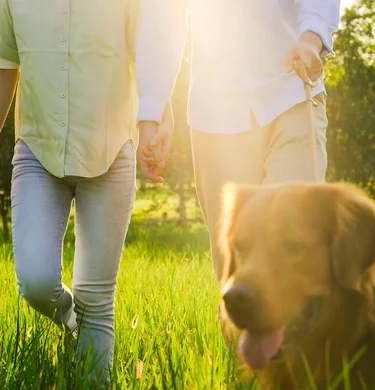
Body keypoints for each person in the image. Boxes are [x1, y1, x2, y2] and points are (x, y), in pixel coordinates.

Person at [0, 0, 170, 385]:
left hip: (111, 152)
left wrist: (154, 127)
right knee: (36, 282)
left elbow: (151, 58)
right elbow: (3, 66)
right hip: (37, 151)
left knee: (97, 296)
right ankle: (72, 318)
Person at [136, 0, 341, 277]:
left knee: (295, 232)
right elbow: (162, 19)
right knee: (235, 259)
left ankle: (299, 316)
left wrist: (312, 36)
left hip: (291, 91)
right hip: (216, 113)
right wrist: (152, 110)